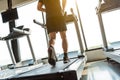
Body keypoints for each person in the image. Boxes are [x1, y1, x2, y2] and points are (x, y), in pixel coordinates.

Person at [37, 0, 69, 66]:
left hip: (49, 18)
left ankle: (51, 47)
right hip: (59, 15)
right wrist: (62, 9)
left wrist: (47, 10)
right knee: (63, 37)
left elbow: (38, 8)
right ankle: (65, 57)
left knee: (52, 38)